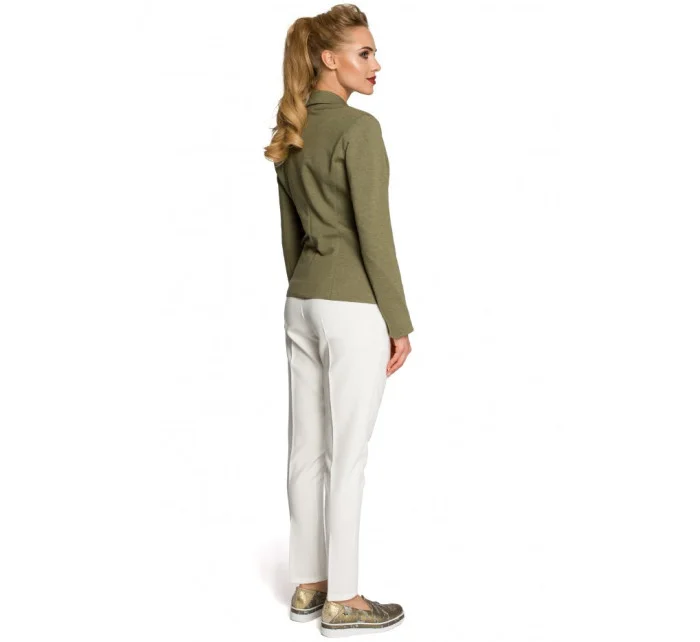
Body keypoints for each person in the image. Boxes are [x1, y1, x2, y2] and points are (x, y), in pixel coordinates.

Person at [264, 4, 414, 636]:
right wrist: (399, 322)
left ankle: (309, 582)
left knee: (306, 449)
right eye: (365, 52)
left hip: (301, 300)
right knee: (348, 455)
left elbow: (290, 236)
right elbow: (375, 236)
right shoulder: (359, 128)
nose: (377, 64)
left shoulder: (292, 128)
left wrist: (307, 291)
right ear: (329, 58)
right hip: (352, 306)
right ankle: (344, 597)